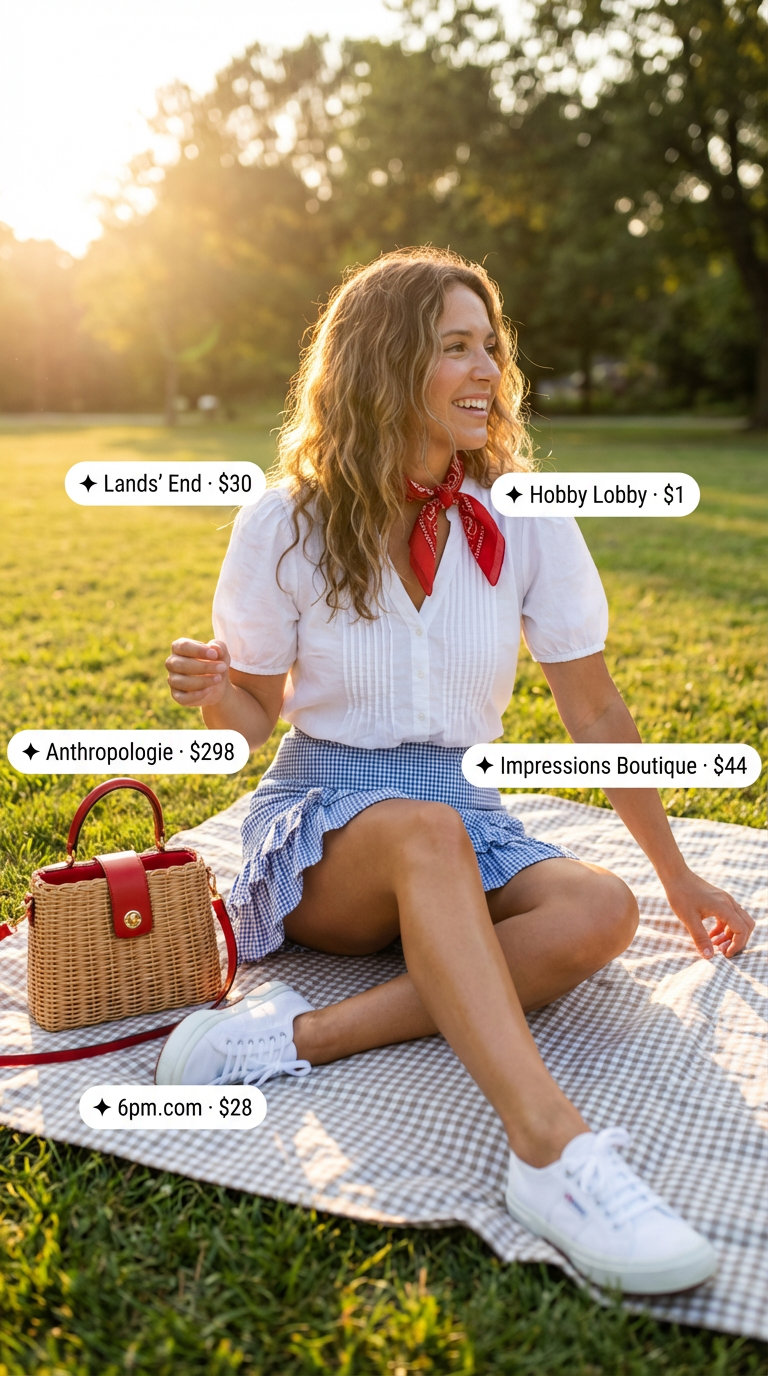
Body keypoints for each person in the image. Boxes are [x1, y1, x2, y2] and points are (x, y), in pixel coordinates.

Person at [160, 246, 753, 1295]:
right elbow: (253, 717)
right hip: (327, 814)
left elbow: (596, 706)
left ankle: (295, 1038)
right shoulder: (286, 520)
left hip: (460, 808)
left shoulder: (522, 513)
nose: (489, 370)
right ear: (385, 363)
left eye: (492, 346)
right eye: (456, 348)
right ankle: (550, 1151)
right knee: (421, 835)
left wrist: (676, 877)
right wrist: (213, 690)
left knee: (597, 911)